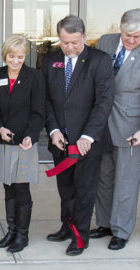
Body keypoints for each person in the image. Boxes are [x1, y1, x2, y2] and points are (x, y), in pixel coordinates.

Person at [91, 9, 140, 251]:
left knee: (126, 182)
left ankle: (121, 230)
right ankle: (104, 223)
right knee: (103, 178)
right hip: (102, 123)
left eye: (137, 36)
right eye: (127, 35)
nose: (131, 40)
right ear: (119, 28)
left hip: (131, 128)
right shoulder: (105, 42)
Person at [42, 15, 114, 256]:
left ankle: (80, 236)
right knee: (66, 189)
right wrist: (52, 131)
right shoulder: (50, 61)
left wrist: (88, 136)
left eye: (74, 42)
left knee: (84, 192)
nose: (69, 47)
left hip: (87, 143)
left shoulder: (100, 61)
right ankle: (66, 225)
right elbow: (47, 101)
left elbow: (104, 102)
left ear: (84, 37)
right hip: (60, 141)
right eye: (65, 42)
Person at [0, 34, 45, 253]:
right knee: (8, 188)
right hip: (1, 141)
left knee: (21, 190)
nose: (16, 61)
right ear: (5, 55)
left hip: (24, 143)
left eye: (20, 57)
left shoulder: (34, 77)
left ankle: (22, 234)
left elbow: (39, 112)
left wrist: (31, 135)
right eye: (12, 56)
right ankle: (11, 231)